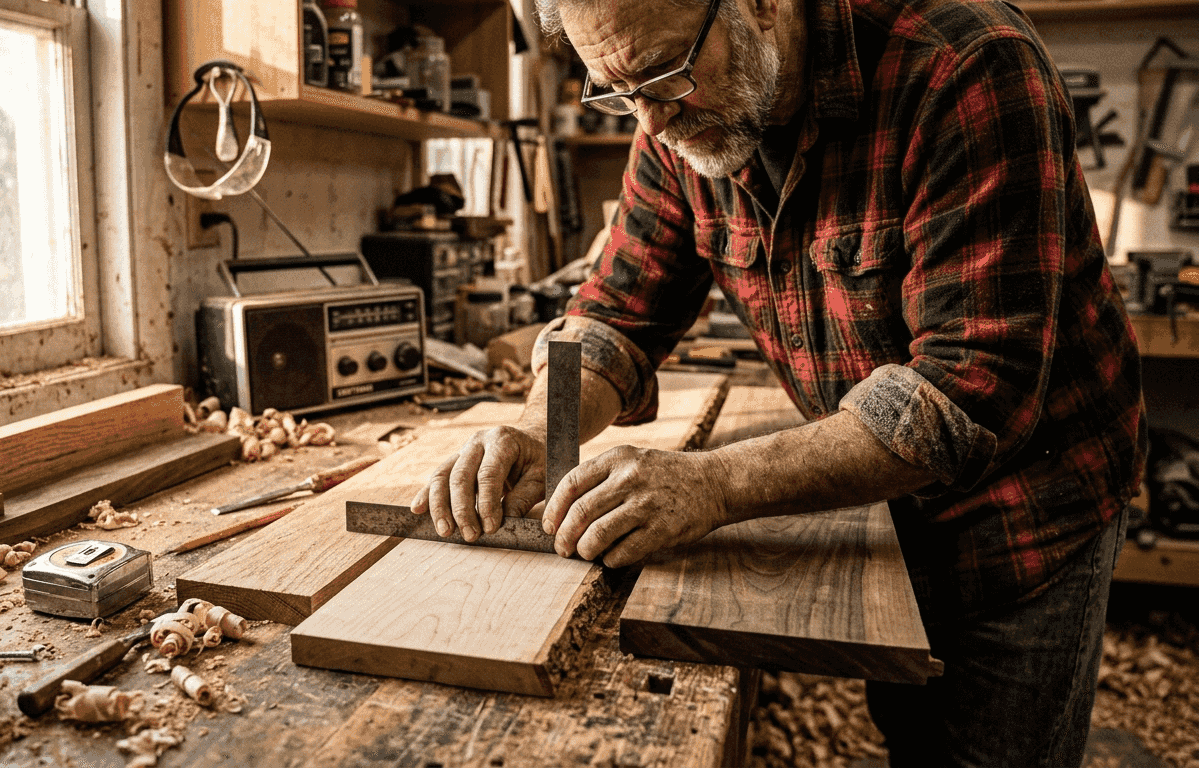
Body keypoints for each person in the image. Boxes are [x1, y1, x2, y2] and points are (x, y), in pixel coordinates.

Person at [411, 0, 1147, 764]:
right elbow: (615, 312)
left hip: (1025, 511)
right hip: (883, 505)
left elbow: (969, 390)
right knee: (913, 733)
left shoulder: (966, 64)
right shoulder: (666, 105)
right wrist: (543, 431)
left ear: (762, 7)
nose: (652, 123)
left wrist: (712, 486)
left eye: (666, 75)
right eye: (617, 90)